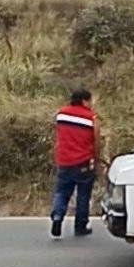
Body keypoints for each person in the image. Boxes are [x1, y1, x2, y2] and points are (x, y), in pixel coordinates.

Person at [50, 88, 102, 238]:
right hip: (83, 162)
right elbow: (97, 140)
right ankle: (80, 225)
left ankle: (58, 217)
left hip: (64, 160)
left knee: (62, 192)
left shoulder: (61, 114)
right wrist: (96, 159)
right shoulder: (91, 118)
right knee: (83, 194)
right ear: (85, 101)